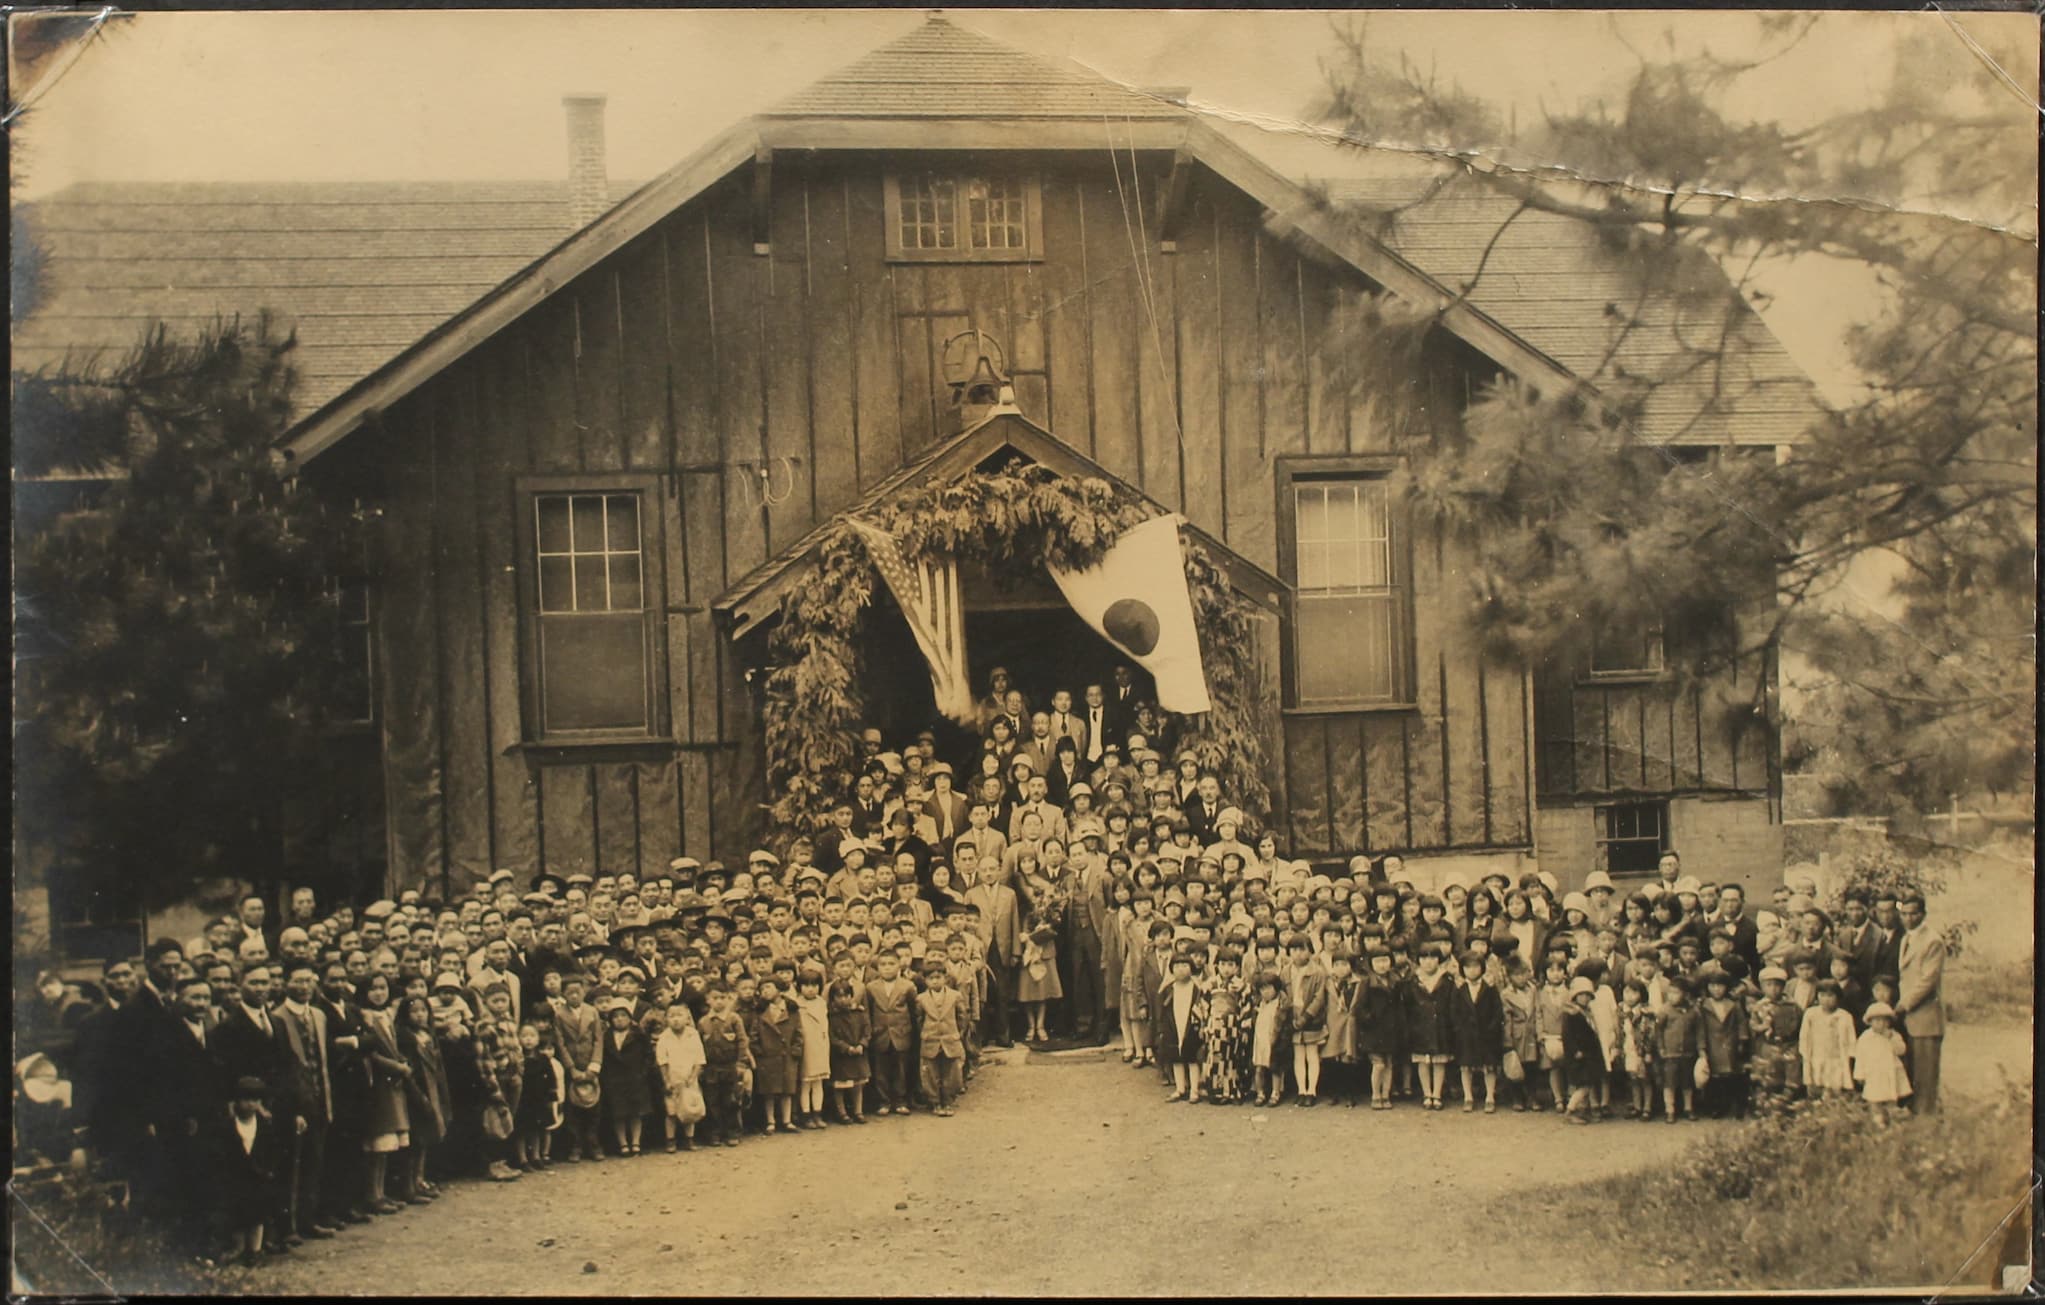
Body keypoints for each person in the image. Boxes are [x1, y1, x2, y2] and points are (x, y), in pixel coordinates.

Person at [216, 1075, 287, 1267]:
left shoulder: (264, 1125)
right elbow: (223, 1153)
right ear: (237, 1101)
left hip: (259, 1177)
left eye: (256, 1100)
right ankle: (238, 1247)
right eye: (246, 1100)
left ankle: (255, 1250)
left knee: (258, 1214)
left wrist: (269, 1170)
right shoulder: (229, 1125)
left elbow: (274, 1150)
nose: (251, 1105)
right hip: (237, 1177)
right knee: (238, 1213)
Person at [1894, 891, 1945, 1114]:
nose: (1909, 918)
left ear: (1923, 914)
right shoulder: (1906, 938)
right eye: (1904, 914)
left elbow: (1927, 981)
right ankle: (1916, 1116)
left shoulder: (1932, 941)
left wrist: (1904, 1004)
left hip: (1925, 1016)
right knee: (1912, 1071)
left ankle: (1926, 1121)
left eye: (1914, 914)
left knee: (1925, 1075)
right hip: (1910, 1018)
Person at [1448, 948, 1504, 1114]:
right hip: (1466, 1035)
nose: (1472, 970)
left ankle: (1489, 1097)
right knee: (1466, 1066)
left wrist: (1492, 1028)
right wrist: (1459, 1029)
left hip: (1486, 1034)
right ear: (1462, 969)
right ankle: (1468, 1096)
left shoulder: (1490, 988)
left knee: (1489, 1066)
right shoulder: (1459, 989)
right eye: (1467, 967)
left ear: (1482, 968)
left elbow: (1497, 1010)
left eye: (1475, 966)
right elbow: (1454, 1011)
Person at [698, 984, 752, 1147]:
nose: (719, 1002)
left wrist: (741, 1063)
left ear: (729, 999)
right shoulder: (703, 1022)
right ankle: (715, 1133)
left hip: (730, 1066)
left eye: (723, 998)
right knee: (712, 1101)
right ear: (708, 1000)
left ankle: (732, 1132)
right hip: (711, 1068)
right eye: (715, 998)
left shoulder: (734, 1019)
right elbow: (699, 1045)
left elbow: (743, 1041)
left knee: (731, 1101)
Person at [865, 951, 916, 1116]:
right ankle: (884, 1101)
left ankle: (900, 1100)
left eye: (891, 964)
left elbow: (913, 1011)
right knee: (881, 1070)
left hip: (901, 1033)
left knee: (901, 1068)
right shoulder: (871, 987)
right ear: (878, 967)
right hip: (880, 1034)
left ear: (899, 965)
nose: (887, 968)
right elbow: (869, 1011)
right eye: (883, 964)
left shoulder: (907, 986)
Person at [915, 962, 967, 1117]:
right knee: (930, 1073)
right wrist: (925, 1033)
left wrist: (958, 1033)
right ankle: (935, 1102)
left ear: (945, 978)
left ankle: (948, 1101)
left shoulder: (955, 996)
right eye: (931, 978)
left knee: (951, 1073)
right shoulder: (921, 999)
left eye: (938, 977)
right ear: (925, 980)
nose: (935, 981)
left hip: (950, 1039)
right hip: (930, 1040)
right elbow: (918, 1019)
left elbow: (962, 1017)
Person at [655, 1001, 707, 1151]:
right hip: (673, 1079)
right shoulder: (664, 1037)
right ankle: (670, 1140)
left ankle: (689, 1139)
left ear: (687, 1017)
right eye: (671, 1016)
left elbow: (699, 1059)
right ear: (666, 1019)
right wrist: (667, 1080)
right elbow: (662, 1061)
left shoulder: (693, 1034)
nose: (676, 1019)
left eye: (679, 1015)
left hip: (689, 1079)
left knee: (690, 1109)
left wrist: (693, 1077)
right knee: (671, 1111)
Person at [1852, 1001, 1913, 1124]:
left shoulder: (1893, 1035)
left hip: (1890, 1072)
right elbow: (1860, 1057)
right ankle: (1878, 1122)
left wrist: (1891, 1038)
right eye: (1877, 1020)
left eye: (1885, 1021)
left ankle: (1892, 1120)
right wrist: (1860, 1074)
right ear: (1870, 1022)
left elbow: (1901, 1050)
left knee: (1891, 1098)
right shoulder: (1865, 1037)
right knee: (1874, 1099)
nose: (1881, 1024)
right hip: (1873, 1074)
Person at [1158, 952, 1207, 1103]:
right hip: (1174, 1025)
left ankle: (1194, 1090)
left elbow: (1202, 1007)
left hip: (1191, 1025)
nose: (1181, 970)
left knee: (1192, 1058)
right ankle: (1180, 1088)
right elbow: (1163, 1010)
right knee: (1176, 1058)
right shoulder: (1169, 989)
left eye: (1185, 966)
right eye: (1177, 966)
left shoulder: (1197, 987)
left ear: (1191, 968)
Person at [1799, 979, 1858, 1101]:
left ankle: (1834, 1103)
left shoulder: (1844, 1016)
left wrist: (1851, 1054)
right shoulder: (1811, 1014)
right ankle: (1818, 1102)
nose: (1826, 999)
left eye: (1830, 995)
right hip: (1817, 1054)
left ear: (1838, 997)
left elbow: (1850, 1037)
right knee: (1817, 1080)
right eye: (1822, 995)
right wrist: (1805, 1052)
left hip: (1836, 1055)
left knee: (1835, 1083)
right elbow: (1805, 1035)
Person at [793, 965, 833, 1129]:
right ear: (800, 986)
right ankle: (806, 1115)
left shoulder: (822, 1003)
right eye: (806, 985)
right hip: (806, 1046)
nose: (810, 989)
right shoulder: (796, 1004)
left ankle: (818, 1113)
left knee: (818, 1083)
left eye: (814, 985)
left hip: (821, 1045)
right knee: (805, 1083)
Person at [1015, 917, 1062, 1044]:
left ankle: (1040, 1026)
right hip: (1027, 953)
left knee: (1042, 992)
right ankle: (1031, 1026)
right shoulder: (1024, 909)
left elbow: (1056, 924)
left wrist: (1046, 927)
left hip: (1044, 953)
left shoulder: (1050, 909)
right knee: (1028, 993)